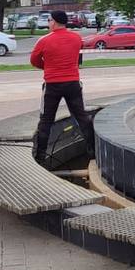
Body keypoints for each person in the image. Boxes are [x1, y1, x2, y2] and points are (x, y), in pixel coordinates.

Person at [30, 10, 94, 165]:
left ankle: (40, 157)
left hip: (52, 85)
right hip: (72, 83)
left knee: (46, 120)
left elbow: (34, 60)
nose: (48, 23)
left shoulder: (44, 41)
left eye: (49, 20)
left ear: (54, 22)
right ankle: (93, 151)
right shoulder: (76, 38)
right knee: (82, 117)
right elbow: (75, 56)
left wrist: (49, 67)